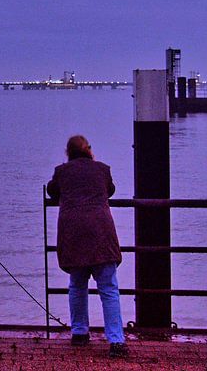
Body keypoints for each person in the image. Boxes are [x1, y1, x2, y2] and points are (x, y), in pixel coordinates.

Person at [47, 135, 127, 358]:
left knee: (77, 284)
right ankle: (116, 340)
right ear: (89, 151)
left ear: (68, 152)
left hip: (74, 235)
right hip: (101, 234)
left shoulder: (62, 172)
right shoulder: (102, 170)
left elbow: (52, 191)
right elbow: (110, 190)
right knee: (109, 288)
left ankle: (80, 332)